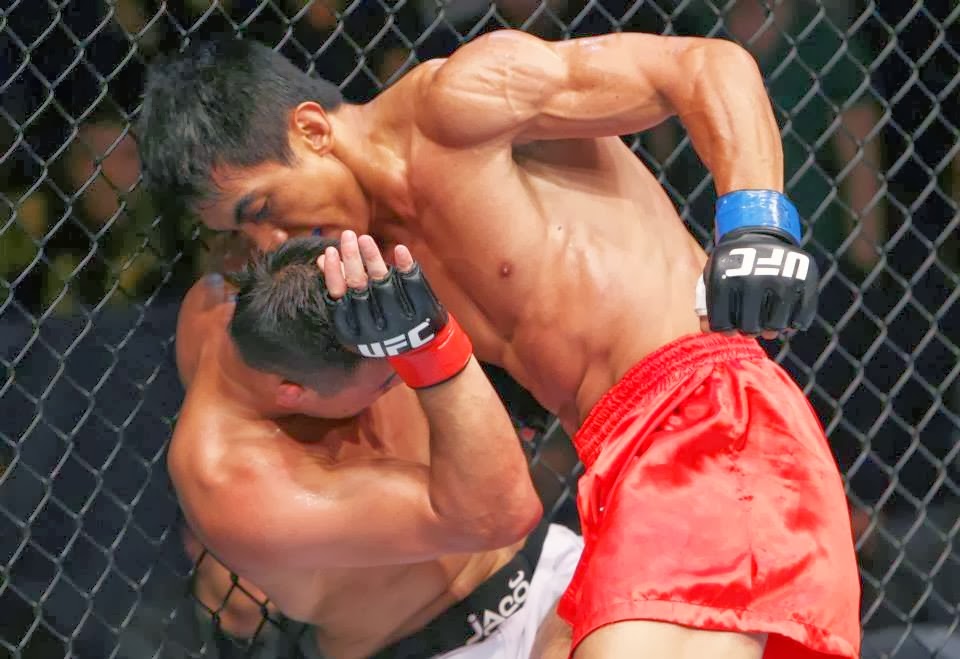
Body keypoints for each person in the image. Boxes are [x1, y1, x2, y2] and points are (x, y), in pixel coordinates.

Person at [138, 31, 861, 659]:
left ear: (311, 130)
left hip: (700, 415)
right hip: (615, 470)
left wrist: (757, 218)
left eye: (262, 207)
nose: (269, 241)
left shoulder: (457, 104)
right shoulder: (370, 267)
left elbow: (702, 65)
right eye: (242, 231)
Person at [167, 233, 584, 659]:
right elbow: (502, 514)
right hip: (439, 648)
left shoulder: (232, 300)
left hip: (547, 563)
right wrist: (433, 348)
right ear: (294, 393)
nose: (403, 382)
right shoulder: (238, 485)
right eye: (386, 381)